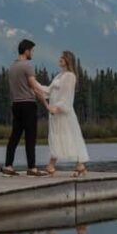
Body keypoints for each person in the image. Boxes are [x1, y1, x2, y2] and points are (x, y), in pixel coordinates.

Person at [38, 50, 89, 178]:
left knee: (70, 136)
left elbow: (67, 97)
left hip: (63, 113)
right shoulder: (59, 75)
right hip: (55, 114)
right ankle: (79, 166)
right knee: (57, 137)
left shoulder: (70, 76)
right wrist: (35, 85)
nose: (60, 59)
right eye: (60, 57)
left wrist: (58, 108)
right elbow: (49, 91)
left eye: (63, 57)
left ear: (68, 60)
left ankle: (53, 165)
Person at [2, 39, 48, 177]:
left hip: (16, 104)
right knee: (30, 137)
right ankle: (32, 168)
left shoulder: (12, 67)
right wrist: (46, 103)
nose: (33, 53)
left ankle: (8, 166)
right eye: (32, 50)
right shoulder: (27, 66)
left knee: (14, 136)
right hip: (28, 104)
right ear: (27, 50)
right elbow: (35, 87)